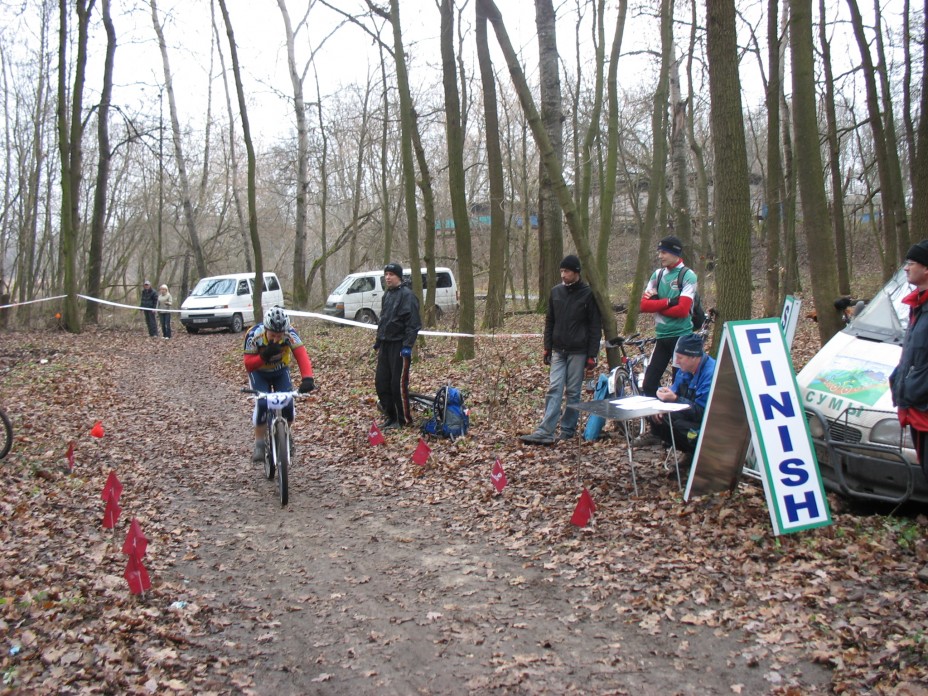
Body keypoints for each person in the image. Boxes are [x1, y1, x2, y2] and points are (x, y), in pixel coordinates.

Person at [520, 254, 602, 445]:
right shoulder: (556, 292)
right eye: (561, 271)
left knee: (573, 391)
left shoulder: (588, 294)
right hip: (558, 349)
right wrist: (547, 347)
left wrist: (592, 355)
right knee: (554, 388)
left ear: (576, 272)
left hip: (579, 351)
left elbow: (595, 326)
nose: (563, 275)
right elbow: (550, 320)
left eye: (567, 271)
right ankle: (546, 430)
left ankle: (568, 429)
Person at [244, 306, 316, 463]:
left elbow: (302, 355)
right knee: (262, 404)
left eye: (279, 335)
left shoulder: (290, 334)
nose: (277, 338)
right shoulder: (253, 335)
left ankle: (286, 434)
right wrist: (264, 356)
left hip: (280, 371)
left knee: (288, 404)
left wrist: (307, 378)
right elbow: (248, 365)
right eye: (273, 335)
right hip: (259, 373)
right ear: (266, 330)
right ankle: (259, 443)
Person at [639, 235, 698, 398]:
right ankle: (660, 414)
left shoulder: (688, 275)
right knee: (649, 384)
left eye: (664, 252)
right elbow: (644, 306)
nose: (660, 256)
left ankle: (681, 414)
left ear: (675, 253)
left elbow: (682, 311)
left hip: (681, 337)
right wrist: (669, 302)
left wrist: (658, 306)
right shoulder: (657, 275)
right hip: (662, 337)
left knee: (679, 386)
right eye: (659, 252)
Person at [890, 240, 928, 481]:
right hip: (917, 410)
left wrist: (915, 388)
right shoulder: (918, 304)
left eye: (912, 263)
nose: (906, 268)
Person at [643, 333, 716, 459]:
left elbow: (702, 413)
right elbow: (674, 391)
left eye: (680, 357)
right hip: (690, 414)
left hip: (709, 423)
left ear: (693, 357)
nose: (676, 361)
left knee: (678, 425)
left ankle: (698, 454)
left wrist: (676, 399)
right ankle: (689, 452)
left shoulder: (710, 373)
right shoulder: (684, 370)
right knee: (657, 417)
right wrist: (662, 402)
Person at [374, 263, 421, 430]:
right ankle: (391, 416)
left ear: (399, 276)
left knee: (397, 384)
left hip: (400, 346)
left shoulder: (408, 296)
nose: (388, 277)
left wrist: (407, 345)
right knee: (381, 382)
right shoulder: (387, 295)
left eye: (391, 274)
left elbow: (413, 324)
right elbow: (384, 320)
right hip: (386, 344)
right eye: (386, 274)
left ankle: (403, 419)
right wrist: (378, 341)